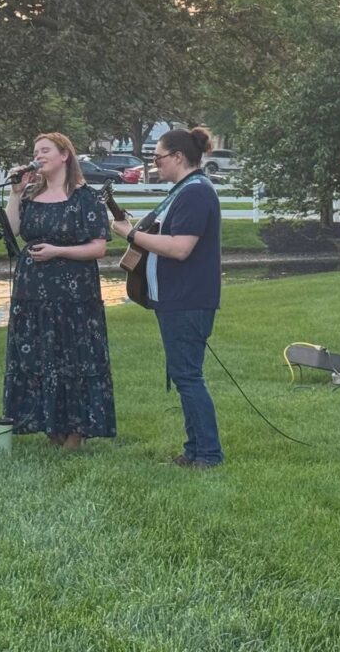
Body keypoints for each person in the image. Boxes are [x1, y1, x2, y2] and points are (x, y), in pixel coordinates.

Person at [110, 126, 223, 468]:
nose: (155, 164)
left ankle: (208, 454)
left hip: (188, 299)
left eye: (158, 158)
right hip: (178, 298)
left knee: (188, 376)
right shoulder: (185, 190)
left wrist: (130, 234)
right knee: (184, 374)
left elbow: (180, 248)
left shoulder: (195, 192)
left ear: (178, 157)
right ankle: (194, 450)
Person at [2, 132, 116, 450]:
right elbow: (11, 232)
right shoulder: (30, 196)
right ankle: (49, 425)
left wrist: (58, 251)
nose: (38, 156)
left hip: (74, 294)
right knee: (39, 357)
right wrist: (15, 193)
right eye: (35, 151)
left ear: (65, 155)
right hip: (32, 292)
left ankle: (77, 430)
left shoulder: (85, 198)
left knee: (74, 358)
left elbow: (98, 248)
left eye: (45, 150)